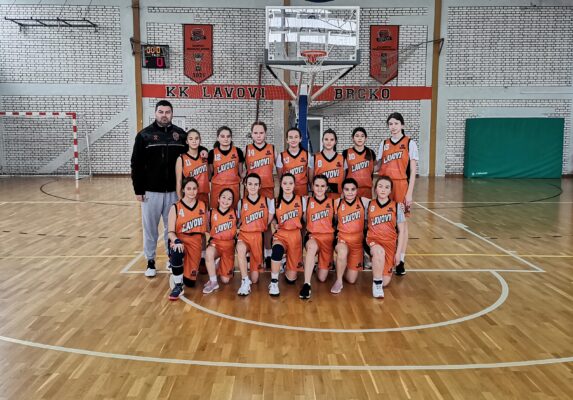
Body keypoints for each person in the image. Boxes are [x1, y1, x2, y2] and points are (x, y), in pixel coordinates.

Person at [131, 100, 187, 278]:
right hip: (151, 191)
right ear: (155, 113)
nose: (164, 115)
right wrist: (138, 190)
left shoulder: (181, 135)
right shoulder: (144, 135)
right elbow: (136, 164)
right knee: (150, 229)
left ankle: (171, 258)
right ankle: (150, 261)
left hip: (174, 192)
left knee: (171, 228)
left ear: (172, 114)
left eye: (167, 112)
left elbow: (191, 156)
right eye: (161, 112)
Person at [376, 112, 418, 276]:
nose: (393, 127)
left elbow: (413, 171)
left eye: (395, 123)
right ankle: (385, 255)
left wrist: (409, 193)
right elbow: (378, 166)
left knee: (402, 224)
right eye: (390, 124)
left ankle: (400, 259)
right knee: (385, 221)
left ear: (402, 125)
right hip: (384, 186)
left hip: (401, 185)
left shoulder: (410, 143)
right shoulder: (384, 144)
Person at [166, 177, 208, 300]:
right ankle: (178, 286)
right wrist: (176, 241)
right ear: (183, 189)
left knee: (190, 282)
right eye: (188, 188)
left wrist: (204, 254)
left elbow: (204, 233)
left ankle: (182, 269)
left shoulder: (202, 205)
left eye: (194, 188)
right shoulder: (176, 207)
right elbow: (170, 232)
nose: (192, 191)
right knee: (176, 250)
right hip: (180, 239)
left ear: (197, 190)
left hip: (195, 242)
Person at [366, 176, 406, 298]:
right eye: (380, 186)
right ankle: (376, 284)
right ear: (375, 189)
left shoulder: (397, 206)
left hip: (390, 244)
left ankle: (377, 270)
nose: (383, 189)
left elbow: (402, 231)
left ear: (390, 190)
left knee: (385, 282)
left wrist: (399, 254)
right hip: (373, 241)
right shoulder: (368, 204)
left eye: (387, 187)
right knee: (379, 252)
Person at [245, 121, 278, 267]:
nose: (258, 136)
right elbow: (242, 171)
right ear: (252, 134)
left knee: (266, 223)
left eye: (261, 133)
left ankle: (268, 254)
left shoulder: (272, 149)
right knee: (251, 222)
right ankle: (250, 254)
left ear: (265, 134)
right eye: (255, 133)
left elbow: (279, 171)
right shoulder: (247, 149)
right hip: (251, 190)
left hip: (267, 189)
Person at [236, 173, 275, 296]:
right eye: (250, 184)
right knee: (240, 248)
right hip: (244, 236)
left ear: (259, 186)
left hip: (258, 237)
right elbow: (238, 221)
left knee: (255, 279)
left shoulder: (267, 201)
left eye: (255, 184)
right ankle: (244, 281)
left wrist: (261, 226)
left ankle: (250, 273)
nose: (252, 187)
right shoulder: (241, 203)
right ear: (245, 185)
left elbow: (269, 220)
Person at [330, 178, 370, 294]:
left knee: (352, 280)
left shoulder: (364, 201)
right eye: (347, 189)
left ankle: (342, 264)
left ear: (357, 190)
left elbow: (379, 203)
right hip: (342, 239)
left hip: (357, 243)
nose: (350, 192)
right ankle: (338, 281)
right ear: (342, 190)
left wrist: (398, 206)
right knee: (342, 251)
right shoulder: (337, 203)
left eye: (353, 189)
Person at [299, 174, 335, 300]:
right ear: (312, 186)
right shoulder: (306, 201)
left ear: (327, 187)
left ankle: (315, 265)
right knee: (312, 247)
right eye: (317, 185)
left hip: (328, 240)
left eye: (322, 186)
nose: (319, 189)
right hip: (312, 237)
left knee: (322, 278)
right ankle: (306, 284)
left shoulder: (333, 202)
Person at [269, 173, 306, 296]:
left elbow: (306, 220)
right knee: (277, 250)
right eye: (285, 183)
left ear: (294, 185)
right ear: (281, 185)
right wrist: (274, 224)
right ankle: (274, 282)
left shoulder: (301, 200)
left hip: (295, 236)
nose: (288, 186)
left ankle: (285, 264)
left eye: (290, 183)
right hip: (281, 235)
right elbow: (271, 220)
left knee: (291, 279)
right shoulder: (275, 202)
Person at [203, 188, 237, 294]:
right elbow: (207, 228)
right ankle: (213, 282)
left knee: (225, 280)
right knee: (209, 252)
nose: (226, 201)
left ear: (232, 201)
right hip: (216, 244)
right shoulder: (211, 213)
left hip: (229, 247)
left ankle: (218, 263)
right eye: (224, 197)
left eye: (229, 199)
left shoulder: (235, 213)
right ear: (218, 199)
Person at [208, 126, 244, 210]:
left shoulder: (238, 151)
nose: (226, 139)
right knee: (216, 211)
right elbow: (210, 174)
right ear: (218, 138)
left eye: (228, 136)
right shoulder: (212, 153)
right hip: (217, 186)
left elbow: (241, 173)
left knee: (233, 212)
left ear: (231, 138)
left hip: (233, 186)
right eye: (222, 136)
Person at [309, 129, 346, 199]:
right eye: (326, 139)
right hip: (319, 197)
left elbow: (343, 180)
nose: (329, 142)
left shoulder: (342, 159)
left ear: (335, 142)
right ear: (322, 141)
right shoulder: (314, 158)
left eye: (332, 140)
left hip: (336, 198)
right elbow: (311, 180)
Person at [176, 129, 209, 205]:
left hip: (204, 196)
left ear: (200, 140)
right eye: (191, 139)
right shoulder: (181, 158)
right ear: (187, 141)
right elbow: (179, 182)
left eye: (196, 138)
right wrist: (180, 200)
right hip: (189, 196)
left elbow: (209, 175)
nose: (194, 141)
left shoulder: (205, 157)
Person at [343, 127, 377, 199]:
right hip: (350, 190)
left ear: (366, 138)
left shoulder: (371, 152)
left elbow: (374, 168)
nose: (360, 138)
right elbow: (343, 173)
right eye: (357, 136)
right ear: (353, 138)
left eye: (362, 136)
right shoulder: (346, 152)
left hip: (367, 190)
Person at [276, 127, 310, 196]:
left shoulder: (307, 155)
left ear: (300, 139)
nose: (293, 140)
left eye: (296, 137)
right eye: (291, 137)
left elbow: (309, 175)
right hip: (287, 190)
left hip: (302, 189)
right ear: (287, 140)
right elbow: (280, 177)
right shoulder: (281, 156)